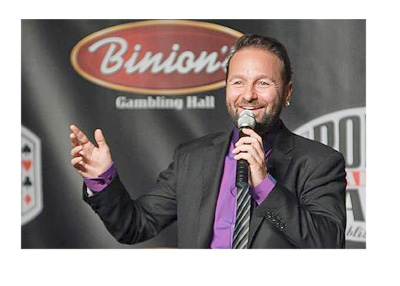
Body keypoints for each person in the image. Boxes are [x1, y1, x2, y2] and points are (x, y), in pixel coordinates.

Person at [70, 34, 347, 249]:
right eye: (238, 82)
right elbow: (135, 226)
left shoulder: (319, 162)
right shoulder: (192, 157)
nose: (248, 95)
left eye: (263, 83)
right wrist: (101, 179)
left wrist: (264, 185)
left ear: (286, 92)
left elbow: (328, 245)